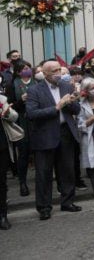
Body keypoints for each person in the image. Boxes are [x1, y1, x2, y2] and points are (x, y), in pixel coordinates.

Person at [26, 60, 82, 220]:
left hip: (65, 133)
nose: (59, 74)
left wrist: (72, 102)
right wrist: (57, 107)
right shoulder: (34, 90)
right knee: (44, 173)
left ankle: (67, 202)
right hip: (45, 135)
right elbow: (31, 114)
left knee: (67, 170)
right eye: (55, 71)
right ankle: (44, 207)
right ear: (45, 74)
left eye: (60, 70)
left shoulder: (66, 86)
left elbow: (76, 110)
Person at [7, 61, 35, 196]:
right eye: (24, 69)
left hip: (36, 122)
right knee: (23, 154)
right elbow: (9, 106)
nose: (27, 70)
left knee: (39, 153)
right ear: (18, 72)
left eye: (28, 68)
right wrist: (21, 101)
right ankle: (22, 183)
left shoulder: (37, 82)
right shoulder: (12, 85)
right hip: (21, 122)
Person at [0, 95, 19, 229]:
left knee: (1, 182)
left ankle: (3, 215)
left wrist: (6, 114)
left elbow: (14, 117)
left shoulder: (1, 99)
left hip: (1, 146)